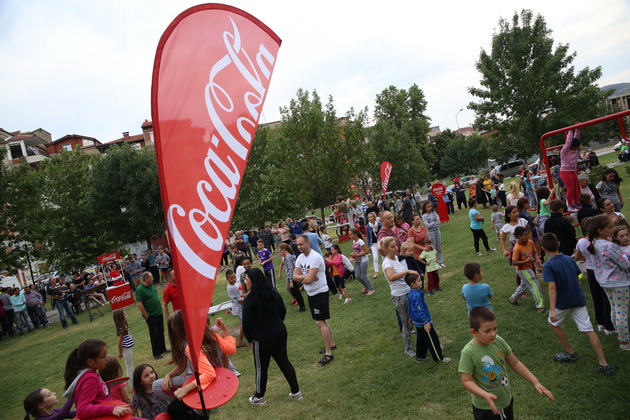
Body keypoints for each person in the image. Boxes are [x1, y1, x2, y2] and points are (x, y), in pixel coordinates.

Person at [458, 307, 554, 419]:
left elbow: (515, 363)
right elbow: (467, 381)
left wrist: (535, 382)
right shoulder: (468, 352)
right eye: (487, 331)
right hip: (486, 408)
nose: (493, 334)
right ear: (474, 332)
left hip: (505, 401)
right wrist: (484, 395)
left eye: (495, 329)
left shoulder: (498, 341)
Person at [540, 232, 613, 374]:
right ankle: (603, 363)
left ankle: (570, 352)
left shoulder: (549, 265)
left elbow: (552, 287)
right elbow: (578, 274)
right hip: (578, 299)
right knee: (588, 330)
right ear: (559, 244)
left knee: (554, 324)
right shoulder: (568, 259)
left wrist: (553, 309)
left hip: (562, 302)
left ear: (542, 249)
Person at [155, 312, 236, 418]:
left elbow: (209, 373)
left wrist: (185, 390)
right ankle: (194, 403)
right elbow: (231, 349)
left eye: (174, 328)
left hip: (208, 383)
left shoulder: (192, 347)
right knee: (174, 407)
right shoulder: (212, 334)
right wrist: (224, 330)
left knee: (159, 390)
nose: (173, 332)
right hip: (207, 381)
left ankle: (196, 403)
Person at [242, 268, 302, 405]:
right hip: (279, 332)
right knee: (283, 361)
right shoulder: (272, 292)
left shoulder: (250, 300)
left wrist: (250, 339)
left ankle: (259, 396)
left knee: (261, 367)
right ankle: (296, 391)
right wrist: (277, 324)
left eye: (247, 280)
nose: (245, 282)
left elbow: (246, 324)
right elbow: (282, 310)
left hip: (262, 337)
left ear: (253, 281)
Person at [586, 215, 630, 350]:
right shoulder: (609, 245)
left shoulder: (595, 244)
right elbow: (625, 264)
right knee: (622, 312)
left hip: (604, 282)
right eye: (610, 227)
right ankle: (625, 342)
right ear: (601, 231)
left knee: (615, 309)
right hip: (619, 282)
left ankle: (619, 333)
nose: (613, 229)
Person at [62, 339, 133, 418]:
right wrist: (112, 409)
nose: (106, 358)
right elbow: (82, 410)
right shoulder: (90, 379)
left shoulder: (89, 375)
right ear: (90, 362)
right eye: (103, 357)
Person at [293, 235, 336, 364]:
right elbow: (294, 277)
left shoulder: (315, 257)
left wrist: (305, 278)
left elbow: (309, 279)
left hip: (320, 292)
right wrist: (306, 277)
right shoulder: (300, 258)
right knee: (322, 320)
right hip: (310, 293)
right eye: (298, 244)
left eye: (301, 244)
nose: (299, 246)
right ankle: (331, 344)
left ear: (308, 243)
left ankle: (329, 353)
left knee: (319, 322)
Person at [574, 218, 615, 335]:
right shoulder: (604, 242)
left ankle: (600, 322)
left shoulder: (581, 242)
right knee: (606, 298)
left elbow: (577, 257)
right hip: (603, 271)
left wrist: (588, 259)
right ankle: (609, 325)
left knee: (596, 297)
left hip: (591, 270)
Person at [380, 236, 416, 357]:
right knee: (406, 322)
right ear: (385, 249)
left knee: (417, 317)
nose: (396, 248)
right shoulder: (387, 263)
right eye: (392, 247)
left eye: (396, 245)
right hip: (400, 296)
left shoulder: (395, 258)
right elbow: (391, 277)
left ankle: (426, 341)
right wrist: (406, 272)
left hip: (408, 291)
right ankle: (408, 348)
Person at [405, 272, 451, 363]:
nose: (421, 282)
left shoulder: (411, 293)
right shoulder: (417, 295)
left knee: (421, 339)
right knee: (432, 339)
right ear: (412, 284)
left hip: (417, 321)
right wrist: (426, 322)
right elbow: (419, 310)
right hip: (422, 322)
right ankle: (439, 357)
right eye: (418, 281)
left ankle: (420, 356)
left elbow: (411, 307)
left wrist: (411, 318)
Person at [506, 227, 545, 312]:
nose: (528, 236)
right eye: (525, 235)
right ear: (519, 237)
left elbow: (534, 252)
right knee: (535, 286)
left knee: (524, 285)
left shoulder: (530, 242)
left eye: (528, 234)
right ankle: (540, 307)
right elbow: (514, 262)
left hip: (530, 267)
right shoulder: (517, 248)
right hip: (523, 269)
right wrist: (526, 261)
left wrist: (537, 259)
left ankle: (513, 298)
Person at [136, 271, 168, 360]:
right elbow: (139, 304)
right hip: (151, 315)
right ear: (146, 279)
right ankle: (156, 353)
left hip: (158, 313)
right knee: (154, 334)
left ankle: (163, 348)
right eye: (151, 277)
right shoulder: (140, 289)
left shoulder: (152, 286)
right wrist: (146, 315)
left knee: (161, 331)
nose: (153, 279)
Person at [278, 244, 306, 313]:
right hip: (291, 277)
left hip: (292, 277)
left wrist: (291, 281)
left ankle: (302, 307)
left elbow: (291, 270)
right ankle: (301, 305)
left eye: (280, 251)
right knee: (295, 292)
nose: (280, 253)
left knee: (296, 292)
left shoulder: (288, 258)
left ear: (284, 250)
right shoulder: (288, 257)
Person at [113, 309, 135, 389]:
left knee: (131, 365)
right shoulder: (121, 329)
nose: (127, 316)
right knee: (129, 367)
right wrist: (120, 353)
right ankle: (132, 386)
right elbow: (119, 343)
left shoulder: (124, 326)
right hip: (126, 349)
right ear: (120, 318)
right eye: (125, 315)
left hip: (129, 348)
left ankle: (133, 382)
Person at [349, 229, 375, 295]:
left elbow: (366, 252)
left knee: (364, 276)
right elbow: (356, 250)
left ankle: (371, 289)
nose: (350, 236)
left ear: (355, 234)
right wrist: (353, 254)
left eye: (351, 235)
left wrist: (356, 255)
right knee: (357, 276)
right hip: (357, 260)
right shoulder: (354, 241)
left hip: (363, 260)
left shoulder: (360, 242)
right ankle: (366, 287)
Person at [422, 201, 445, 267]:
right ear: (425, 208)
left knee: (439, 247)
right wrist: (433, 223)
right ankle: (436, 262)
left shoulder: (434, 213)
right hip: (430, 232)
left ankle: (441, 261)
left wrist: (433, 223)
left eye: (430, 206)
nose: (430, 208)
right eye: (428, 207)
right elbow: (427, 225)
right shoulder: (424, 216)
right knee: (433, 247)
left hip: (437, 230)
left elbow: (438, 222)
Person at [225, 270, 245, 346]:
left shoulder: (230, 285)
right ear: (227, 279)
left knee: (244, 324)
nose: (234, 279)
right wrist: (246, 296)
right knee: (244, 325)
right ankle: (239, 342)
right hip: (239, 308)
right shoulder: (232, 288)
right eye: (231, 278)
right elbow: (240, 300)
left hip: (237, 307)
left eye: (234, 277)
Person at [366, 212, 382, 278]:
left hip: (381, 242)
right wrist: (369, 245)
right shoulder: (368, 226)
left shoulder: (379, 225)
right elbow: (368, 236)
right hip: (373, 244)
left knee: (384, 257)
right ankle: (376, 272)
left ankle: (387, 269)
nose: (370, 218)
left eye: (371, 217)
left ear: (374, 217)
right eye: (369, 217)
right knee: (375, 258)